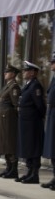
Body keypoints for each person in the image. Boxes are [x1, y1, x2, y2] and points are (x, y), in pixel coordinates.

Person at [15, 61, 46, 184]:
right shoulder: (28, 85)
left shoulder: (35, 86)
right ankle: (29, 172)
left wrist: (36, 118)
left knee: (33, 148)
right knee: (27, 148)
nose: (23, 72)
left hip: (32, 123)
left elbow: (40, 106)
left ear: (33, 72)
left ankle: (34, 174)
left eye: (26, 70)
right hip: (25, 123)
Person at [0, 65, 21, 179]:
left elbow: (16, 105)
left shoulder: (14, 87)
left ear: (13, 74)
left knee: (9, 143)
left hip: (9, 120)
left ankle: (13, 170)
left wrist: (11, 116)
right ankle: (8, 168)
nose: (5, 74)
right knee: (4, 143)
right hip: (3, 119)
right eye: (5, 72)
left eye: (8, 72)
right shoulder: (7, 86)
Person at [41, 54, 55, 191]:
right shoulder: (53, 79)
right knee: (52, 151)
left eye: (53, 63)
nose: (51, 65)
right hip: (52, 117)